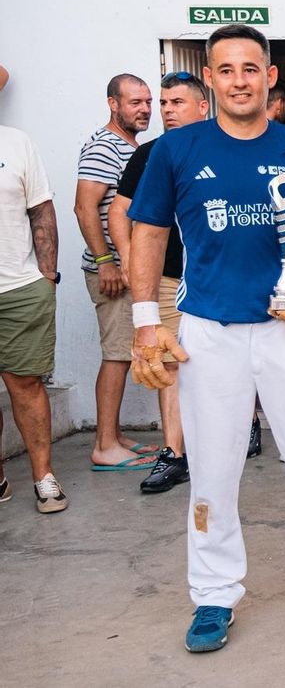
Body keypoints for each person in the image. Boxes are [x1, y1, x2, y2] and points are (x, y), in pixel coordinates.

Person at [126, 24, 285, 652]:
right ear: (211, 80)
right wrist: (147, 320)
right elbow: (146, 233)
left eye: (250, 69)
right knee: (214, 471)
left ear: (270, 75)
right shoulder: (176, 151)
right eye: (226, 70)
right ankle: (214, 595)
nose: (239, 81)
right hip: (209, 333)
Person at [108, 71, 211, 494]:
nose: (165, 111)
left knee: (231, 361)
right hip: (169, 279)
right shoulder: (149, 154)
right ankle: (175, 454)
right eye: (163, 103)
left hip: (214, 280)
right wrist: (133, 265)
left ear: (203, 106)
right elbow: (120, 212)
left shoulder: (226, 148)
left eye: (176, 103)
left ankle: (242, 431)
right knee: (170, 364)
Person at [74, 73, 156, 472]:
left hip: (125, 268)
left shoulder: (129, 146)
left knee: (123, 352)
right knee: (117, 356)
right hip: (113, 271)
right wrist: (106, 261)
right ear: (113, 104)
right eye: (135, 102)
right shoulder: (104, 147)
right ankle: (105, 445)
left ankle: (114, 434)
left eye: (148, 102)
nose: (144, 109)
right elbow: (84, 207)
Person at [0, 124, 65, 513]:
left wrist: (48, 277)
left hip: (20, 287)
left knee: (25, 384)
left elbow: (41, 209)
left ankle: (44, 478)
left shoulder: (17, 141)